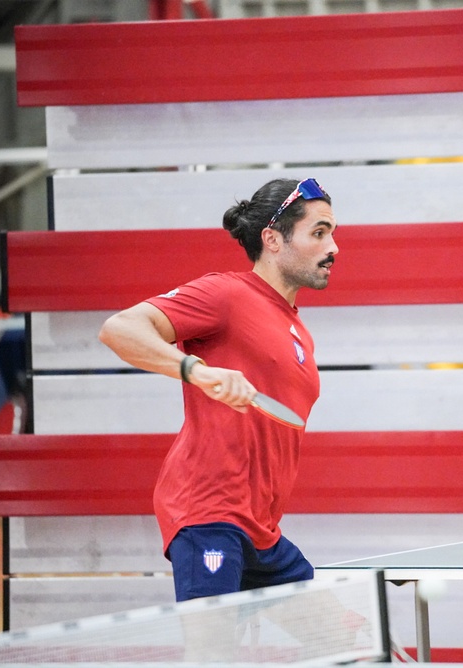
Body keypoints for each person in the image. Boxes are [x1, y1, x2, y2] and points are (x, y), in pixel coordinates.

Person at [99, 178, 338, 601]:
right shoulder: (226, 294)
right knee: (214, 654)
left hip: (261, 531)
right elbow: (120, 329)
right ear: (273, 239)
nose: (333, 248)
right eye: (319, 233)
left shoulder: (297, 329)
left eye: (332, 234)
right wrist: (195, 370)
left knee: (339, 636)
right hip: (209, 514)